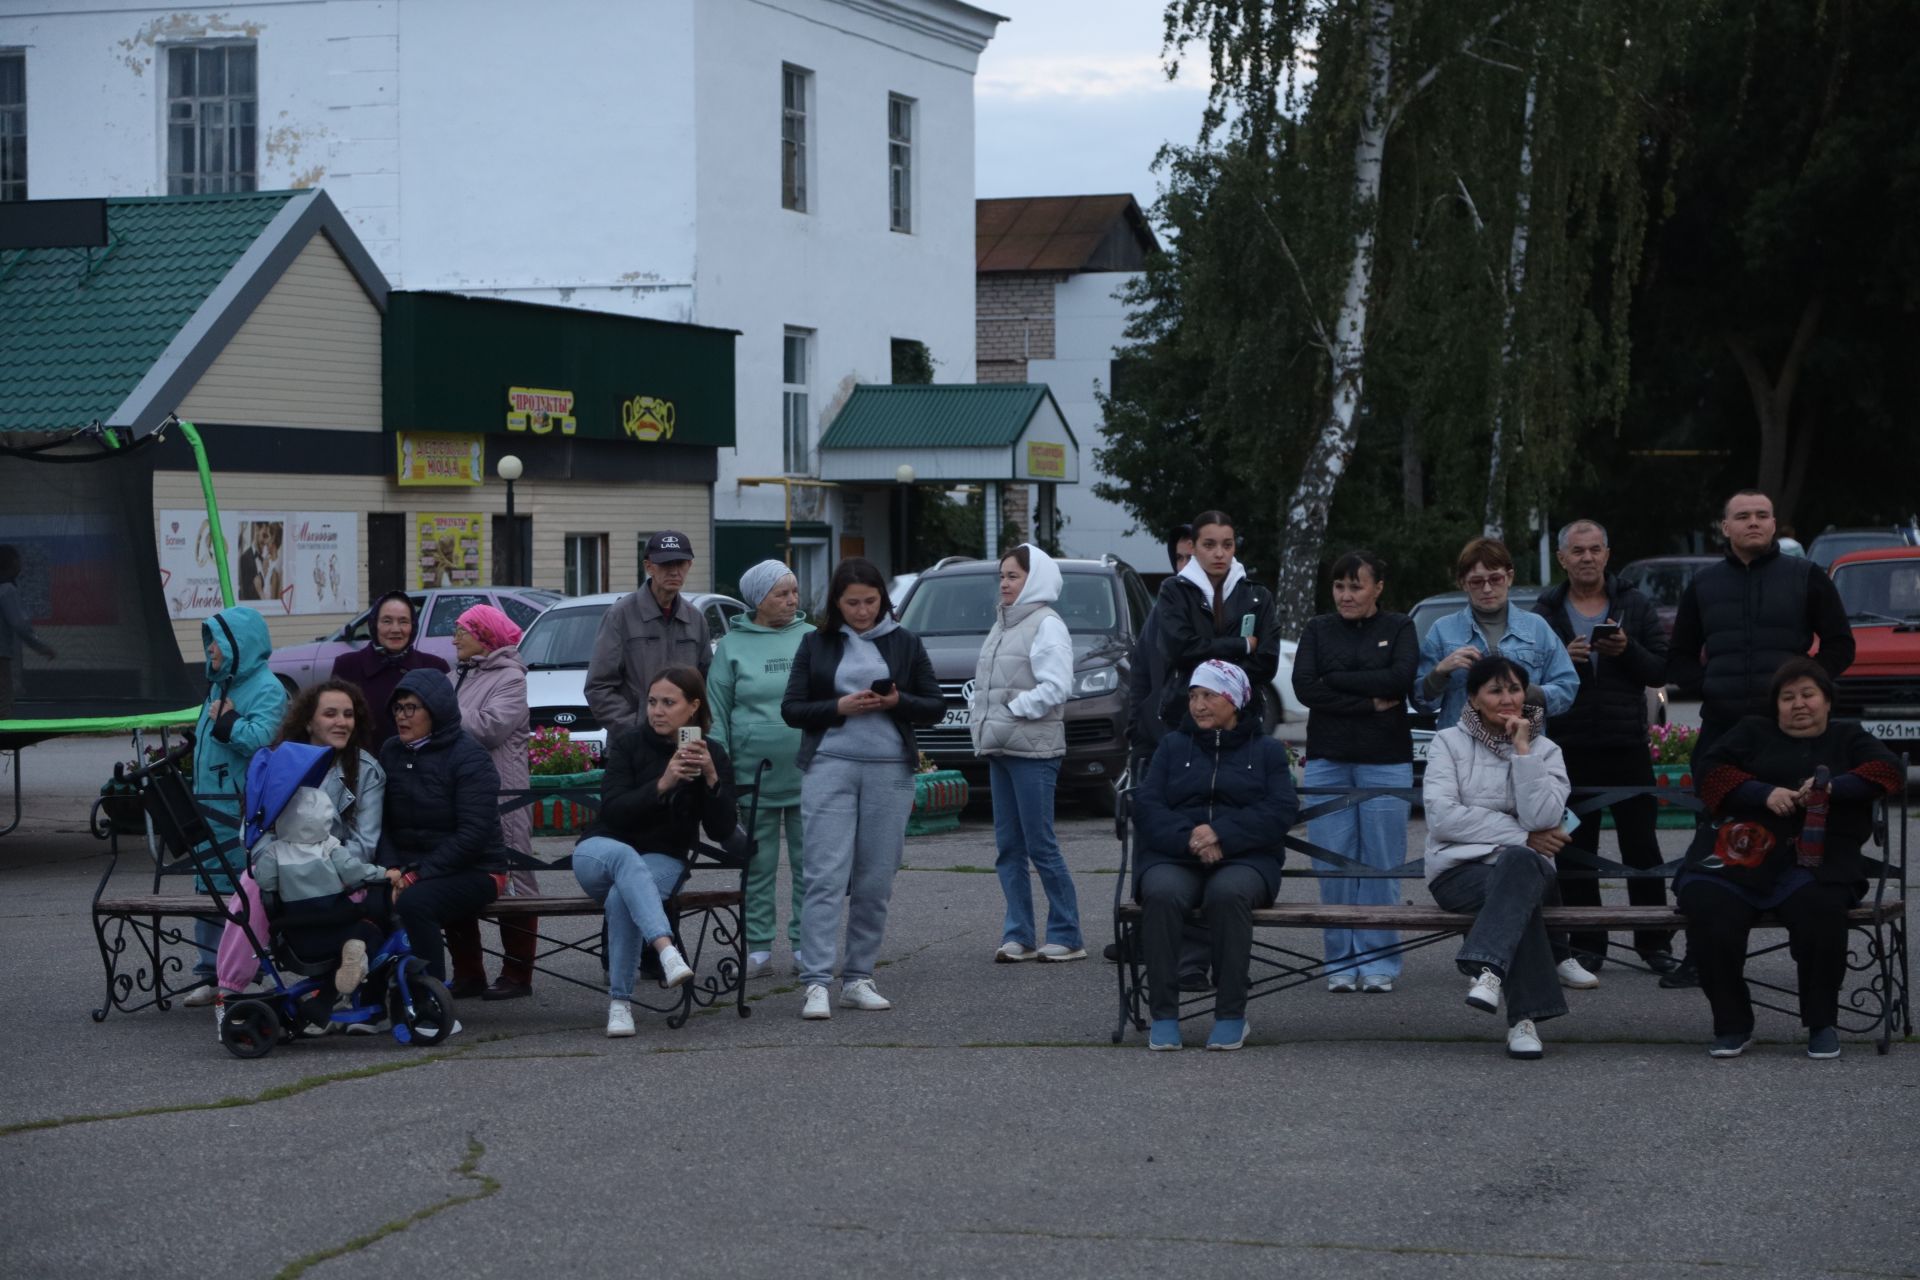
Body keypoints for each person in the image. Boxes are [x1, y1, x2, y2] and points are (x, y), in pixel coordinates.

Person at [1678, 658, 1902, 1059]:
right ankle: (1732, 1024)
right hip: (1742, 853)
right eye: (1788, 697)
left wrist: (1831, 787)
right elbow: (1710, 771)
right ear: (1776, 705)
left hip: (1818, 858)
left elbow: (1887, 771)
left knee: (1820, 907)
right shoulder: (1752, 732)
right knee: (1707, 905)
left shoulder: (1848, 737)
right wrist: (1762, 792)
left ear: (1827, 701)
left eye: (1808, 694)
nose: (1799, 704)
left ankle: (1821, 1023)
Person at [781, 558, 942, 1020]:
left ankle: (858, 977)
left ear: (883, 599)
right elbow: (792, 709)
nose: (862, 611)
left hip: (891, 770)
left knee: (875, 879)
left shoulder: (906, 642)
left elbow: (934, 705)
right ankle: (815, 982)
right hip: (829, 765)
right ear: (836, 602)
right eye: (852, 602)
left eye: (870, 601)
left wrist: (896, 702)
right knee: (824, 876)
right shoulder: (816, 642)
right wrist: (840, 706)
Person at [1422, 655, 1595, 1060]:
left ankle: (1490, 971)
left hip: (1525, 869)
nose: (1508, 699)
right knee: (1521, 885)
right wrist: (1522, 835)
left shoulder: (1545, 750)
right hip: (1459, 874)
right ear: (1474, 698)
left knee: (1517, 867)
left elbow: (1546, 817)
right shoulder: (1447, 742)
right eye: (1495, 690)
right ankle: (1522, 1022)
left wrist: (1523, 751)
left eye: (1514, 689)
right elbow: (1443, 818)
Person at [1530, 519, 1675, 975]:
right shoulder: (1544, 610)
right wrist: (1562, 662)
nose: (1587, 557)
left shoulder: (1633, 602)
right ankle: (1588, 942)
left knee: (1642, 847)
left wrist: (1626, 650)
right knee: (1574, 848)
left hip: (1625, 743)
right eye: (1578, 551)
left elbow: (1660, 669)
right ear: (1562, 559)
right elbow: (1525, 678)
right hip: (1568, 746)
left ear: (1607, 555)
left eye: (1595, 549)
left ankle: (1654, 943)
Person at [1131, 661, 1298, 1051]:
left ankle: (1230, 1014)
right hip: (1177, 855)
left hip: (1245, 859)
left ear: (1235, 699)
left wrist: (1222, 834)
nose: (1198, 705)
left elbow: (1279, 810)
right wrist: (1191, 839)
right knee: (1161, 892)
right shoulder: (1173, 747)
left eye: (1209, 695)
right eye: (1193, 696)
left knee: (1228, 894)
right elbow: (1149, 805)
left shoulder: (1268, 751)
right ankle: (1164, 1015)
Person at [572, 667, 737, 1038]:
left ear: (693, 707)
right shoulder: (629, 744)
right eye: (651, 702)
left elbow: (722, 829)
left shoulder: (711, 753)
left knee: (622, 896)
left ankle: (620, 1004)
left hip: (663, 858)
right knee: (626, 863)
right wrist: (663, 783)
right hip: (603, 850)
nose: (657, 711)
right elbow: (612, 811)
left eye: (668, 703)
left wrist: (712, 778)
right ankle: (666, 950)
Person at [1292, 549, 1417, 993]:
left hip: (1385, 760)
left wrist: (1337, 681)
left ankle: (1379, 961)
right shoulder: (1317, 628)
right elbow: (1305, 687)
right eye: (1339, 586)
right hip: (1328, 760)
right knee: (1334, 863)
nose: (1345, 596)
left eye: (1355, 586)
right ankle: (1340, 963)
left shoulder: (1399, 626)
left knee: (1380, 864)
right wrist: (1368, 703)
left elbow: (1400, 680)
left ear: (1377, 588)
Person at [1667, 489, 1855, 763]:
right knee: (1717, 803)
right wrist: (1709, 687)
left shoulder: (1806, 576)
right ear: (1726, 527)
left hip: (1790, 726)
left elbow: (1841, 644)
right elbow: (1679, 655)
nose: (1753, 522)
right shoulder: (1703, 584)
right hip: (1722, 726)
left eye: (1762, 515)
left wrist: (1805, 683)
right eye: (1743, 516)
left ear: (1774, 525)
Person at [375, 669, 509, 1026]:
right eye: (398, 708)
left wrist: (418, 873)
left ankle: (431, 1006)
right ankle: (375, 1002)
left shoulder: (469, 757)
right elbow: (381, 823)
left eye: (411, 708)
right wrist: (390, 869)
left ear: (435, 710)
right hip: (409, 869)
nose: (402, 716)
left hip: (478, 869)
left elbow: (474, 834)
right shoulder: (390, 752)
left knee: (417, 904)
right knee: (367, 895)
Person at [971, 544, 1085, 964]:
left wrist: (1014, 710)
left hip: (1033, 752)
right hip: (1001, 748)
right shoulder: (1002, 623)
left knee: (1041, 845)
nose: (1004, 582)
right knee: (1008, 847)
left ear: (1033, 579)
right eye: (1002, 575)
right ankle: (1019, 933)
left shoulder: (1046, 624)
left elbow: (1057, 686)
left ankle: (1068, 934)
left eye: (1014, 575)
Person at [708, 559, 814, 980]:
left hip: (810, 774)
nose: (791, 600)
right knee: (757, 864)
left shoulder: (812, 639)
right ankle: (758, 948)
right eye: (780, 593)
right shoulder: (731, 647)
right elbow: (716, 712)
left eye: (793, 591)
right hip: (754, 778)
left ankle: (809, 944)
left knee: (812, 866)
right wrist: (723, 775)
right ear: (757, 600)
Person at [181, 605, 288, 1007]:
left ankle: (249, 971)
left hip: (241, 808)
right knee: (210, 889)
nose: (210, 651)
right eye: (209, 643)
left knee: (241, 895)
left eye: (217, 643)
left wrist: (227, 722)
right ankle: (209, 972)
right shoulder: (218, 687)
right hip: (210, 806)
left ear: (238, 645)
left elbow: (263, 738)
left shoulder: (269, 689)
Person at [449, 604, 538, 1001]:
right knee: (456, 875)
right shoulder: (460, 674)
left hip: (504, 793)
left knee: (515, 877)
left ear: (484, 636)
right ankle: (469, 973)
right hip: (462, 792)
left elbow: (489, 728)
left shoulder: (511, 678)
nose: (454, 639)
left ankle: (518, 974)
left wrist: (441, 707)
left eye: (462, 631)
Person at [1415, 536, 1579, 731]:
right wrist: (1440, 672)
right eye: (1476, 581)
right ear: (1463, 583)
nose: (1487, 588)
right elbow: (1421, 703)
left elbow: (1567, 688)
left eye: (1495, 579)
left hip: (1522, 745)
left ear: (1509, 577)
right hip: (1462, 752)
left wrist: (1520, 690)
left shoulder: (1537, 628)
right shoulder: (1442, 631)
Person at [251, 785, 391, 1006]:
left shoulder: (275, 851)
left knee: (335, 938)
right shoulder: (330, 846)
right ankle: (360, 962)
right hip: (339, 927)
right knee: (371, 932)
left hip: (301, 935)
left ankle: (336, 985)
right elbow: (354, 873)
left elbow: (265, 882)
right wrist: (384, 874)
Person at [1155, 511, 1279, 730]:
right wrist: (1240, 646)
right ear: (1193, 547)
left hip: (1243, 718)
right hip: (1185, 717)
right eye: (1209, 545)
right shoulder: (1174, 590)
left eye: (1227, 545)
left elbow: (1267, 662)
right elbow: (1179, 649)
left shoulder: (1257, 595)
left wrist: (1220, 686)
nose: (1219, 553)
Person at [585, 530, 711, 736]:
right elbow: (599, 687)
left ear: (690, 566)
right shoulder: (620, 615)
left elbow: (707, 686)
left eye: (680, 563)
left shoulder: (695, 619)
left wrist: (696, 728)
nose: (674, 571)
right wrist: (636, 729)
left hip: (684, 741)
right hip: (633, 744)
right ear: (648, 566)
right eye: (666, 564)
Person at [272, 679, 385, 862]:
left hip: (336, 879)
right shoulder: (280, 763)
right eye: (330, 714)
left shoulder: (367, 771)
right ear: (308, 722)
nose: (342, 722)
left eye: (348, 715)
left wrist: (313, 872)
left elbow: (364, 846)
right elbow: (257, 834)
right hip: (280, 873)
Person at [332, 592, 451, 747]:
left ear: (413, 626)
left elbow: (446, 725)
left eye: (403, 621)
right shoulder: (347, 666)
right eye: (387, 621)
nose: (395, 629)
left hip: (420, 767)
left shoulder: (435, 667)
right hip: (363, 765)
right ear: (374, 625)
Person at [1126, 524, 1194, 766]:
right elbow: (1141, 670)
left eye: (1192, 558)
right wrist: (1138, 731)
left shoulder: (1225, 606)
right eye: (1179, 558)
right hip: (1157, 742)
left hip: (1203, 744)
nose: (1184, 566)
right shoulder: (1161, 610)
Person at [0, 544, 56, 719]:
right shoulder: (6, 590)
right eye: (18, 562)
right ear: (12, 564)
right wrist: (40, 647)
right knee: (3, 699)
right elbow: (19, 623)